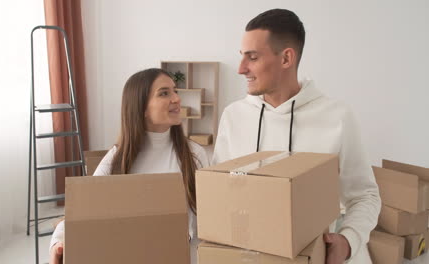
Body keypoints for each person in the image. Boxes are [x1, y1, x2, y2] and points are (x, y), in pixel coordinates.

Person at [212, 9, 381, 264]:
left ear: (286, 58)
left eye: (253, 57)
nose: (241, 68)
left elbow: (365, 195)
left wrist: (347, 242)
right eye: (242, 57)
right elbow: (219, 193)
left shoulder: (337, 117)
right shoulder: (233, 116)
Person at [49, 68, 209, 264]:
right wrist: (58, 242)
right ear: (141, 108)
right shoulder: (116, 159)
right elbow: (84, 213)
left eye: (175, 91)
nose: (176, 98)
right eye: (164, 93)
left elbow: (207, 219)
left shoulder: (194, 155)